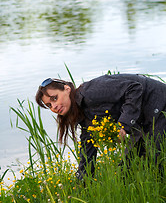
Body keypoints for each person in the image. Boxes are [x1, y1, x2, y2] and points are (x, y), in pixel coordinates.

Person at [35, 74, 166, 180]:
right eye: (49, 105)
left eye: (54, 98)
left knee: (158, 162)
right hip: (143, 121)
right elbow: (88, 147)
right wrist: (82, 182)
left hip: (159, 104)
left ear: (67, 89)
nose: (54, 107)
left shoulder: (91, 92)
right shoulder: (82, 112)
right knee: (124, 172)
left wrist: (123, 126)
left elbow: (134, 88)